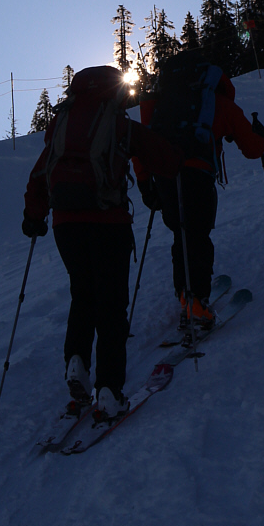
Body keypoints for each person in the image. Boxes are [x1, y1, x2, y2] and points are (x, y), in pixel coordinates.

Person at [22, 65, 182, 418]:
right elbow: (165, 159)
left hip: (66, 224)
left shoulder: (62, 123)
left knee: (83, 293)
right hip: (108, 222)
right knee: (111, 305)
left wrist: (33, 216)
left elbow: (40, 171)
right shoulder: (117, 123)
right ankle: (109, 390)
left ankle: (76, 361)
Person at [133, 50, 264, 330]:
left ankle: (186, 295)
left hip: (165, 176)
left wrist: (146, 184)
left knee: (181, 234)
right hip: (197, 173)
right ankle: (197, 303)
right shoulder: (216, 102)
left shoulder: (162, 104)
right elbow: (253, 149)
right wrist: (262, 135)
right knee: (198, 235)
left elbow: (141, 142)